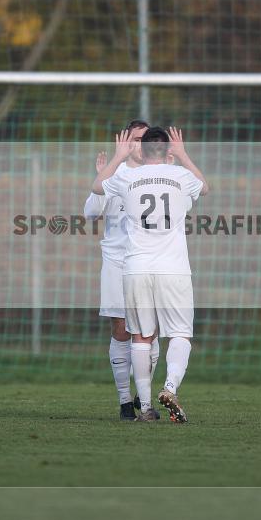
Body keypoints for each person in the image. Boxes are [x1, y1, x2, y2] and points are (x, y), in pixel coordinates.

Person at [92, 126, 208, 421]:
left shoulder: (127, 176)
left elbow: (96, 189)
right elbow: (204, 187)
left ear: (140, 152)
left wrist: (117, 158)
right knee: (180, 333)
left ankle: (143, 407)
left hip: (136, 268)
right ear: (168, 150)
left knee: (141, 336)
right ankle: (170, 386)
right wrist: (183, 155)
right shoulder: (182, 176)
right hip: (174, 269)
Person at [83, 120, 160, 421]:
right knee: (122, 331)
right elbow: (90, 212)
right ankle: (125, 402)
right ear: (126, 142)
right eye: (135, 140)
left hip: (150, 263)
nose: (140, 145)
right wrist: (111, 165)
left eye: (145, 140)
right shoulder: (114, 175)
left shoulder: (158, 176)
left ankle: (145, 399)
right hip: (117, 262)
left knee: (150, 334)